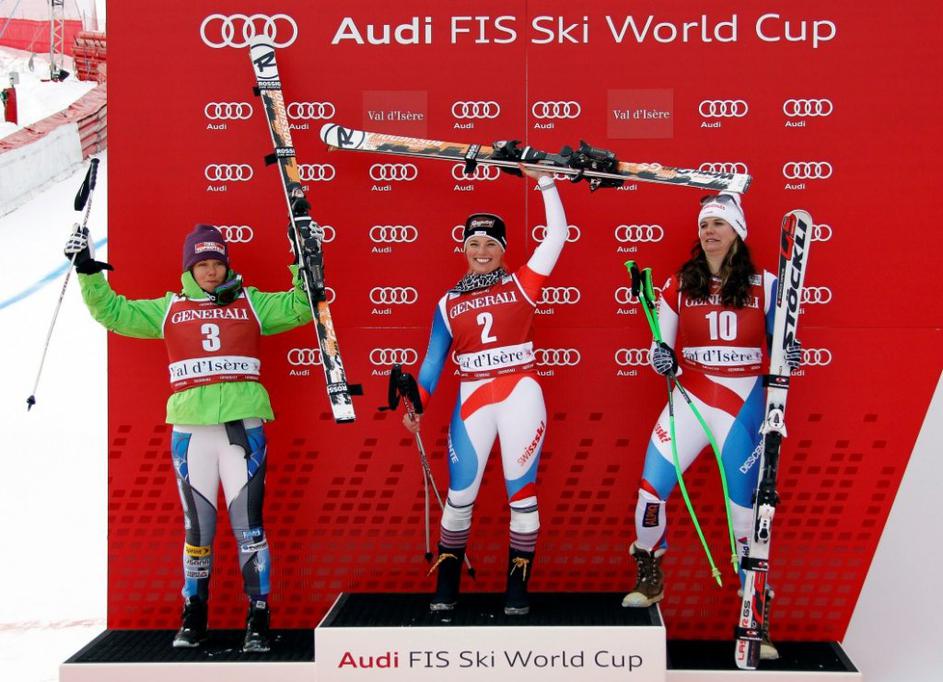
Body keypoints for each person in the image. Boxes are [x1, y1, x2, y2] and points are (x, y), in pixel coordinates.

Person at [64, 223, 314, 652]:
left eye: (217, 263)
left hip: (242, 431)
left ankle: (258, 616)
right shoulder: (169, 308)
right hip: (192, 434)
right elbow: (113, 313)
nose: (211, 272)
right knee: (198, 530)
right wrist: (87, 270)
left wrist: (301, 259)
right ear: (189, 269)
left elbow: (302, 307)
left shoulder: (251, 302)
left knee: (249, 528)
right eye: (202, 265)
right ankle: (193, 614)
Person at [621, 193, 800, 660]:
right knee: (649, 492)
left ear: (737, 230)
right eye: (704, 225)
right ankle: (649, 571)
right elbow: (660, 347)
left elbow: (783, 344)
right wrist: (661, 358)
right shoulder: (679, 284)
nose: (709, 232)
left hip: (742, 404)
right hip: (690, 397)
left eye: (719, 224)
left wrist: (790, 353)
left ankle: (754, 612)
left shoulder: (767, 284)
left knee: (745, 515)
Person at [403, 167, 567, 616]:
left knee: (522, 496)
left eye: (491, 244)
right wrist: (417, 404)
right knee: (460, 497)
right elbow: (432, 363)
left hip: (520, 395)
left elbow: (557, 235)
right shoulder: (447, 302)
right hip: (473, 399)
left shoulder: (523, 283)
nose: (481, 251)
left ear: (503, 250)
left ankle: (517, 593)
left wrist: (546, 182)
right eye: (474, 243)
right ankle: (447, 589)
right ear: (463, 248)